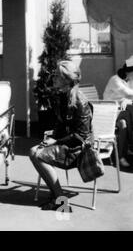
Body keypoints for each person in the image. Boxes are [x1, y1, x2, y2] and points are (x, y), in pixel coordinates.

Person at [29, 60, 93, 211]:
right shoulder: (63, 96)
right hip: (66, 144)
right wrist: (53, 137)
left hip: (77, 150)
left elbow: (81, 136)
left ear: (66, 80)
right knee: (33, 152)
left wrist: (55, 140)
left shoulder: (80, 102)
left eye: (57, 75)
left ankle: (61, 200)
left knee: (36, 154)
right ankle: (57, 195)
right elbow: (61, 123)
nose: (53, 78)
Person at [103, 55, 133, 168]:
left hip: (121, 111)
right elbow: (128, 93)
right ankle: (121, 156)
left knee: (127, 117)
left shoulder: (129, 80)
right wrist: (126, 99)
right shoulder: (115, 80)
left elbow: (127, 96)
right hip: (109, 114)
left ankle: (128, 148)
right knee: (124, 122)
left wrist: (125, 100)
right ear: (129, 72)